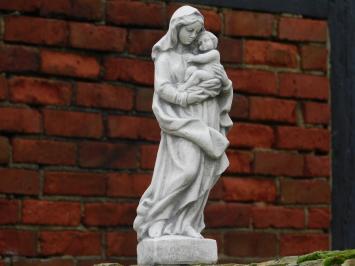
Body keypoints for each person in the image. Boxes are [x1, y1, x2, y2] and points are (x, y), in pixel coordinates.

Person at [133, 5, 233, 242]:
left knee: (203, 173)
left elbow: (221, 82)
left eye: (198, 31)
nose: (193, 36)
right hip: (182, 119)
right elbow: (163, 88)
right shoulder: (166, 56)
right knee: (186, 171)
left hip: (206, 114)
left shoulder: (200, 54)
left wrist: (224, 84)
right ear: (176, 29)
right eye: (189, 30)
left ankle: (187, 222)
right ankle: (156, 218)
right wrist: (186, 97)